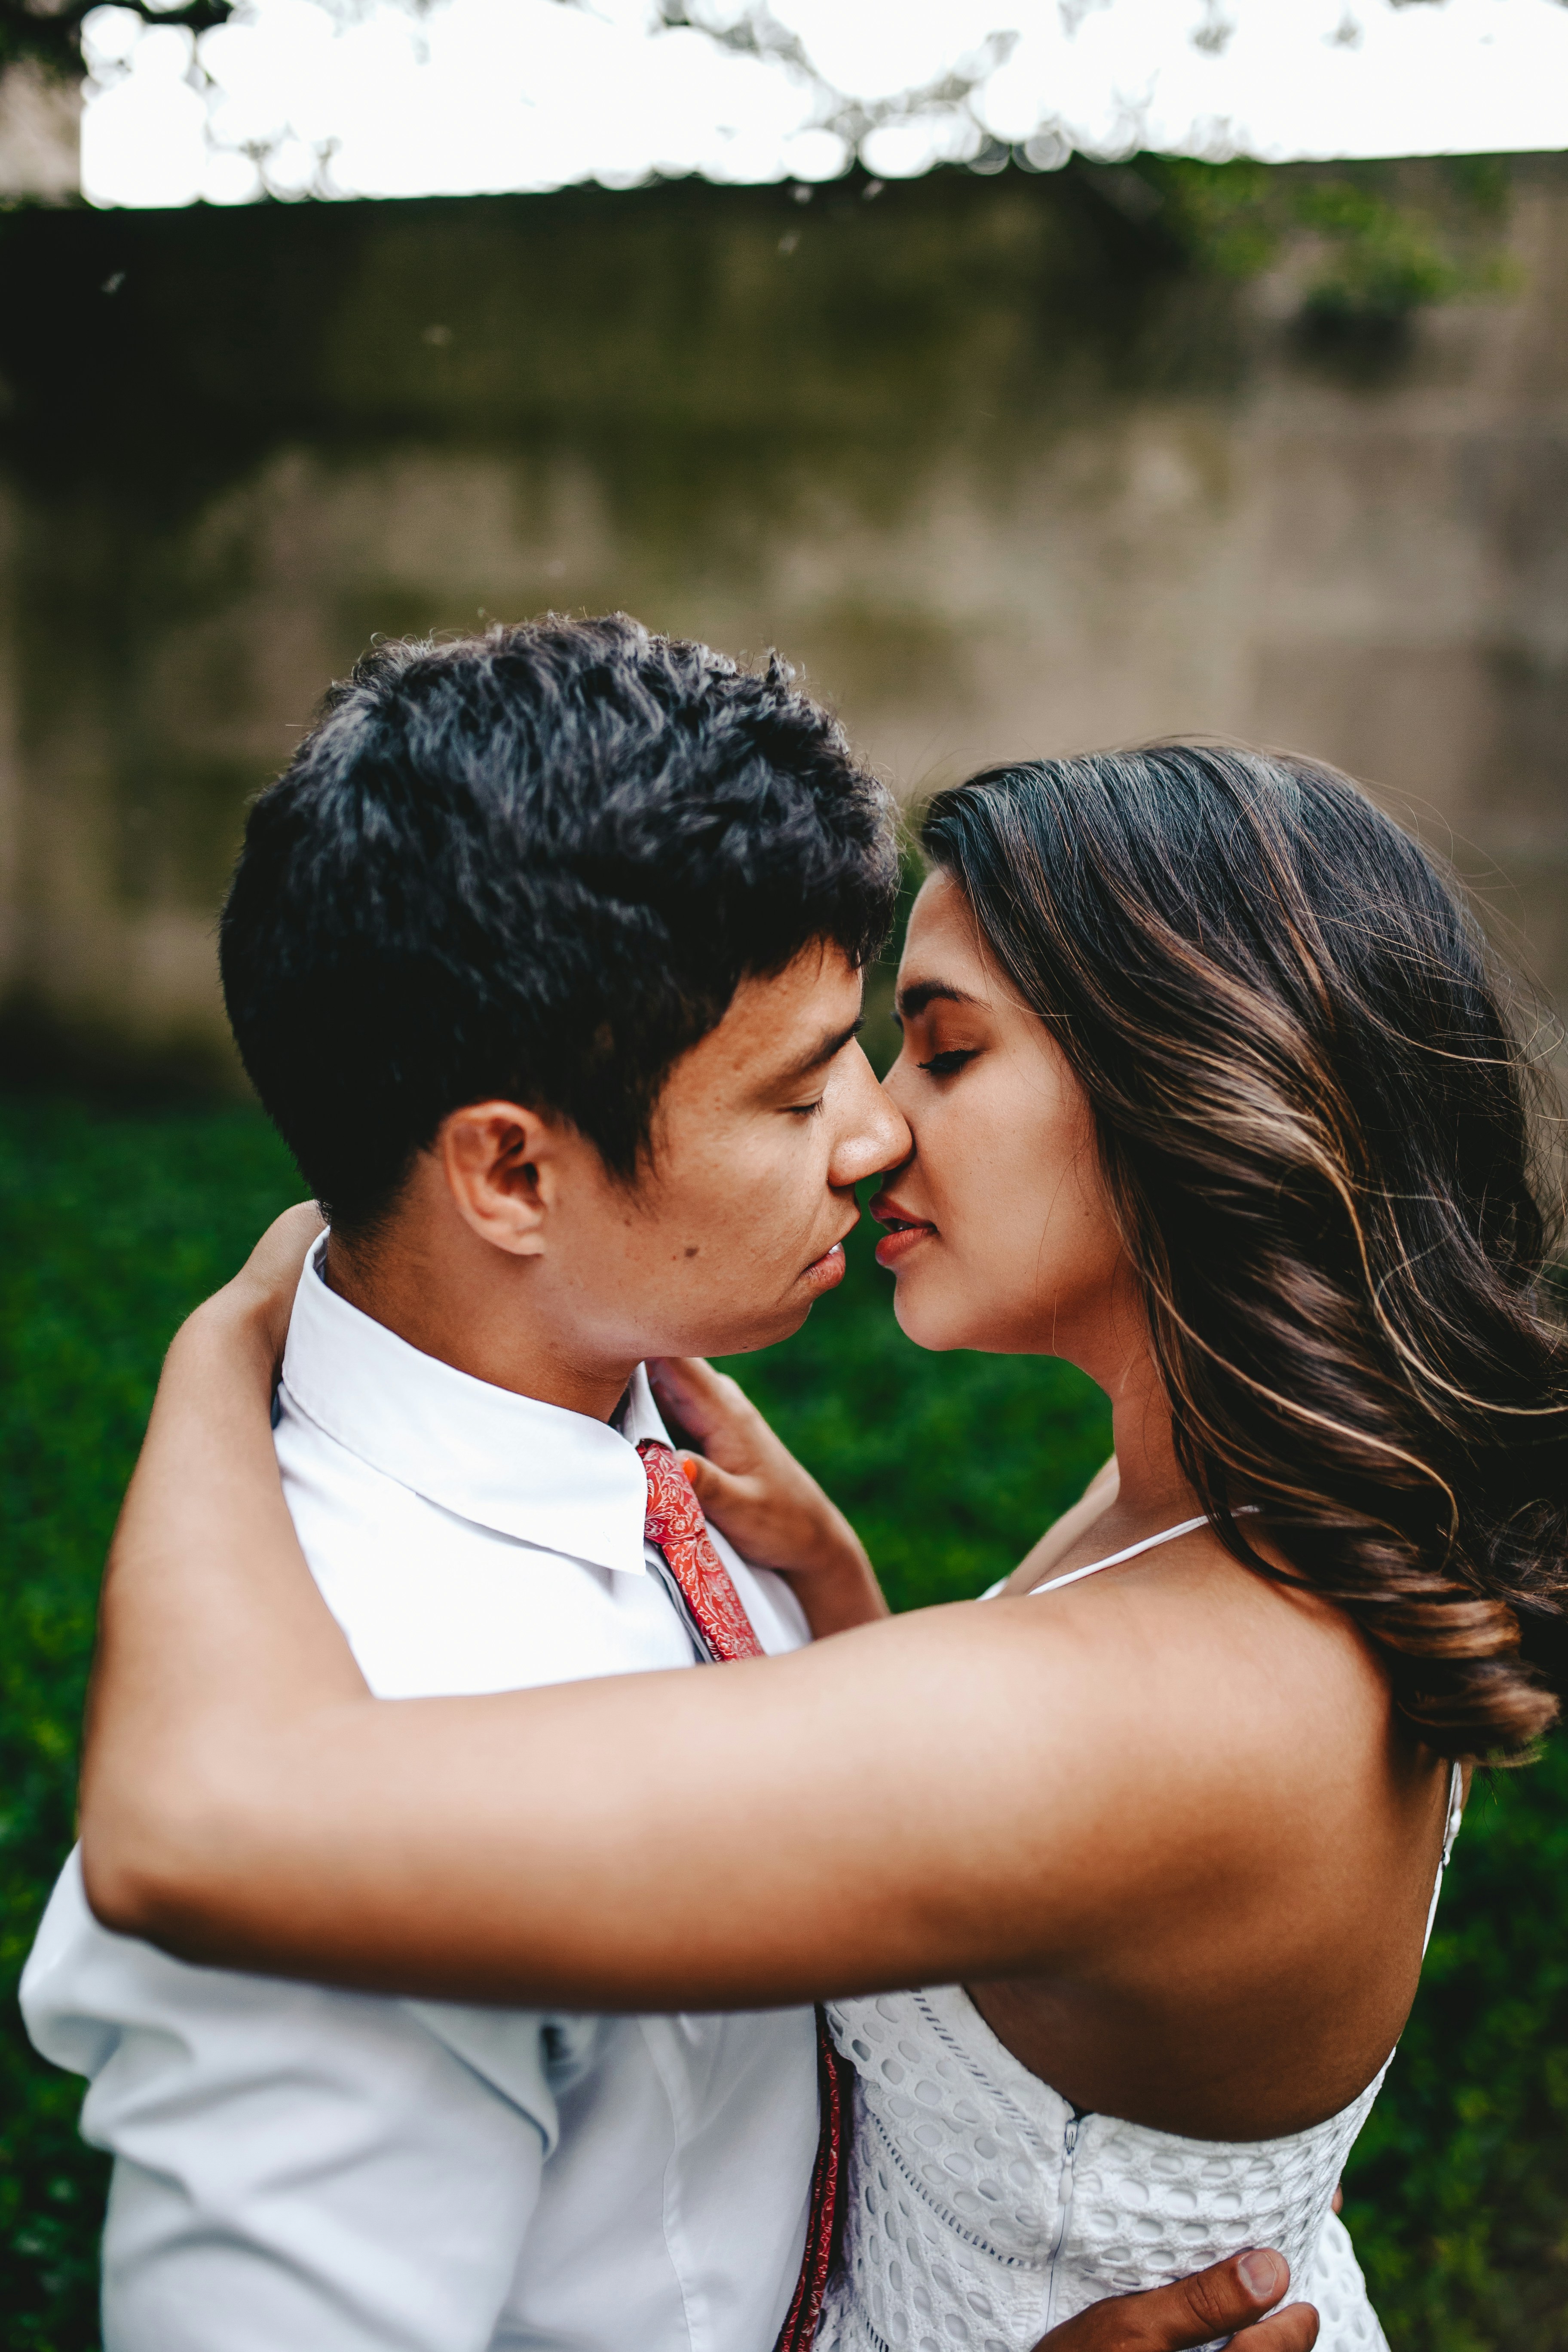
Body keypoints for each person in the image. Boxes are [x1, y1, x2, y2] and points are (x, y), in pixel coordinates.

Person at [68, 742, 1568, 2348]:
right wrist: (846, 1600)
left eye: (940, 1052)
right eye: (833, 1075)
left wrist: (226, 1342)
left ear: (1188, 1079)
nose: (875, 1134)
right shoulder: (1244, 1509)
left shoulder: (1154, 1703)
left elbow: (192, 1831)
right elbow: (1040, 1871)